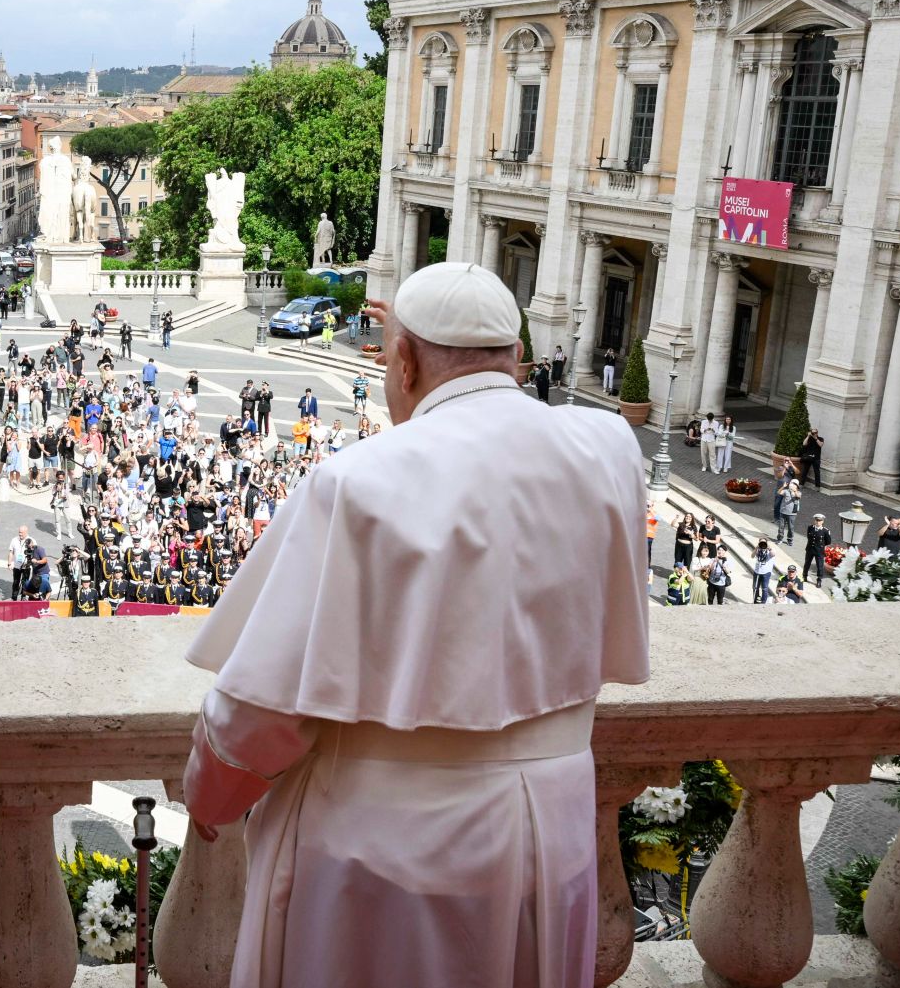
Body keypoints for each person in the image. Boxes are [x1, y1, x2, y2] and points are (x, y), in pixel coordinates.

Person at [180, 262, 648, 987]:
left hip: (387, 855)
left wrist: (211, 795)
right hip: (552, 833)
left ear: (403, 360)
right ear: (515, 356)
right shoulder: (612, 447)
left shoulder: (357, 480)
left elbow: (261, 710)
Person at [803, 512, 832, 586]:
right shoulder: (810, 528)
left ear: (822, 521)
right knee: (807, 563)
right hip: (810, 549)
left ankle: (819, 580)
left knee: (819, 566)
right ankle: (804, 576)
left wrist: (820, 546)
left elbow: (828, 541)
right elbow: (809, 537)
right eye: (817, 520)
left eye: (820, 520)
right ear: (814, 521)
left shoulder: (825, 531)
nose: (818, 522)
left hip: (819, 551)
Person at [775, 479, 800, 545]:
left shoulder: (798, 492)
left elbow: (798, 496)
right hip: (783, 512)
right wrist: (783, 486)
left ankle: (790, 540)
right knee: (781, 527)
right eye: (791, 483)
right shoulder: (786, 491)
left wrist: (794, 491)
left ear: (797, 486)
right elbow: (779, 492)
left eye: (794, 484)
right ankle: (779, 539)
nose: (792, 485)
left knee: (791, 527)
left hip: (792, 514)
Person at [751, 539, 776, 603]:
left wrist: (769, 548)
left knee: (764, 588)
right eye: (761, 542)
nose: (762, 544)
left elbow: (773, 554)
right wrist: (756, 548)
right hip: (757, 572)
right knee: (755, 587)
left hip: (766, 572)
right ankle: (756, 601)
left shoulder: (770, 550)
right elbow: (752, 556)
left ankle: (763, 602)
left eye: (764, 542)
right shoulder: (758, 550)